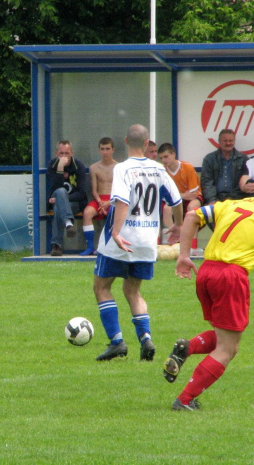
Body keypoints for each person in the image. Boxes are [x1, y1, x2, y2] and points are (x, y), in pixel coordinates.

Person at [164, 167, 254, 411]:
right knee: (228, 348)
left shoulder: (232, 203)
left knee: (224, 334)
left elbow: (191, 217)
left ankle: (188, 347)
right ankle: (185, 399)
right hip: (231, 276)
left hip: (207, 271)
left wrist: (183, 256)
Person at [93, 124, 183, 362]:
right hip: (146, 241)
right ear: (147, 144)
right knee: (133, 290)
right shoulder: (159, 169)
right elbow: (176, 200)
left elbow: (121, 202)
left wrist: (116, 233)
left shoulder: (122, 168)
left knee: (101, 287)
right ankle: (145, 338)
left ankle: (116, 342)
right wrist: (179, 225)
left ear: (124, 141)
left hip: (121, 239)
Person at [158, 143, 205, 254]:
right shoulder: (163, 171)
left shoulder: (187, 167)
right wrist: (182, 195)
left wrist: (179, 195)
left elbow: (193, 194)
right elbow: (166, 195)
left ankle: (193, 245)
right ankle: (174, 243)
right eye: (161, 158)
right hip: (177, 199)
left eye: (166, 157)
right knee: (167, 209)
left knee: (192, 206)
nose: (164, 160)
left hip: (192, 199)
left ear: (173, 154)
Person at [47, 140, 88, 256]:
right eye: (61, 154)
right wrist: (60, 167)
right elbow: (56, 188)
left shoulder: (78, 166)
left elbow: (81, 193)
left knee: (59, 203)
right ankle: (69, 223)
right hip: (58, 203)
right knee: (59, 193)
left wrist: (62, 199)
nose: (64, 156)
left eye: (67, 153)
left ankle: (56, 245)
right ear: (56, 154)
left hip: (75, 204)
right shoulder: (53, 165)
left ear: (72, 153)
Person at [79, 137, 117, 256]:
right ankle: (90, 247)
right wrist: (100, 202)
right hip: (99, 199)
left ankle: (112, 247)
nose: (105, 152)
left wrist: (109, 202)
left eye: (107, 149)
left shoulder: (119, 167)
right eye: (102, 149)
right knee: (87, 213)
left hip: (114, 199)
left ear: (113, 150)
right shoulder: (94, 167)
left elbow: (120, 190)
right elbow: (94, 190)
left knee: (118, 213)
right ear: (99, 150)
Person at [200, 129, 248, 205]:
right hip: (215, 199)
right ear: (219, 141)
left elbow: (243, 183)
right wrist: (212, 200)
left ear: (234, 141)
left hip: (236, 200)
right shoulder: (209, 159)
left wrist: (230, 200)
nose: (228, 143)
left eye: (230, 141)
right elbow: (207, 182)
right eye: (225, 141)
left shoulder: (243, 159)